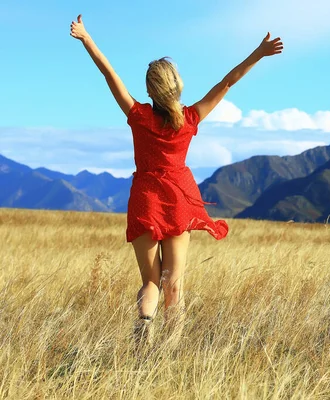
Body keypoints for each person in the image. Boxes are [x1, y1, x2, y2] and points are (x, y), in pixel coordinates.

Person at [70, 14, 283, 347]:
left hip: (145, 199)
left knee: (151, 283)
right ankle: (168, 353)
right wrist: (259, 53)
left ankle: (143, 335)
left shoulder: (138, 116)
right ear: (177, 85)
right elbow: (227, 83)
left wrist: (86, 38)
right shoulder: (190, 119)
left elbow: (108, 73)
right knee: (174, 285)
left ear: (149, 90)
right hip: (180, 201)